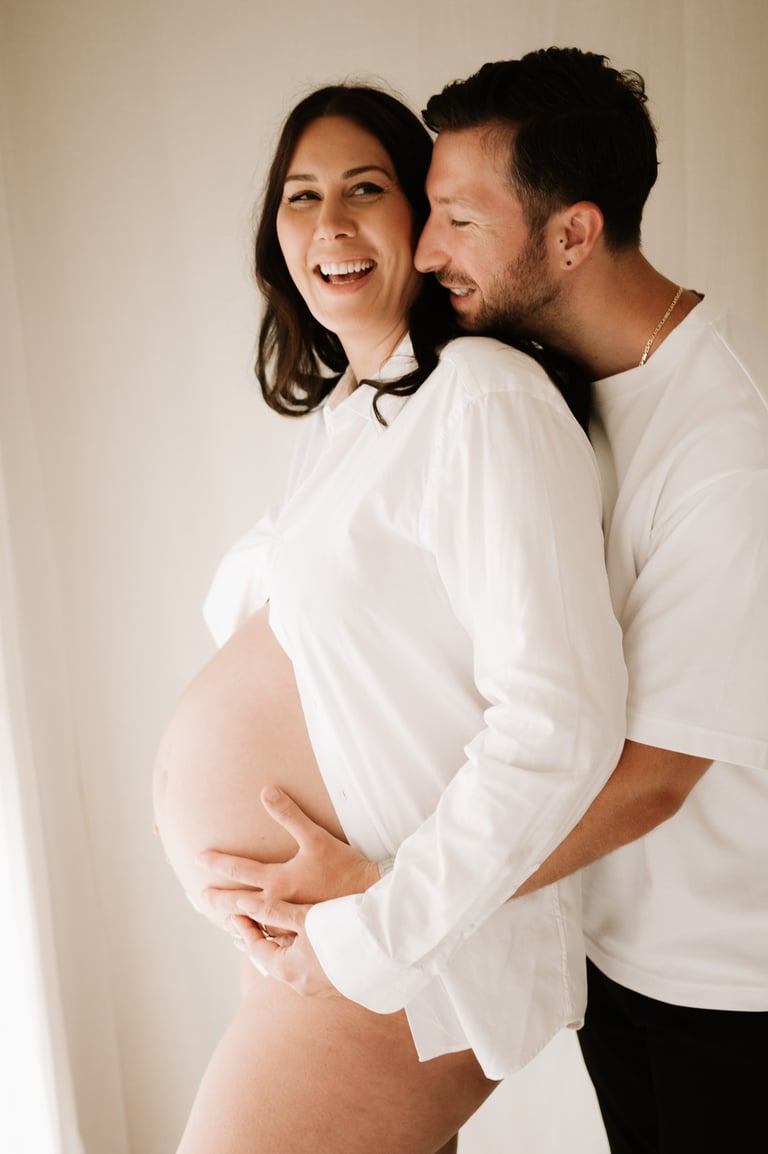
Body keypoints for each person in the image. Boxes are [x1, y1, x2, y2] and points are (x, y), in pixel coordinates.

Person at [204, 49, 768, 1154]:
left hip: (725, 975)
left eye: (454, 218)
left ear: (572, 234)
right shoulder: (555, 380)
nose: (423, 247)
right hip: (621, 951)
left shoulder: (721, 459)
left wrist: (389, 900)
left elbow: (649, 776)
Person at [153, 79, 627, 1153]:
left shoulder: (484, 396)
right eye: (300, 195)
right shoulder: (346, 422)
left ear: (422, 217)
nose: (330, 221)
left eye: (365, 188)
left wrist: (375, 928)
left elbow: (562, 722)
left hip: (398, 955)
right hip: (327, 944)